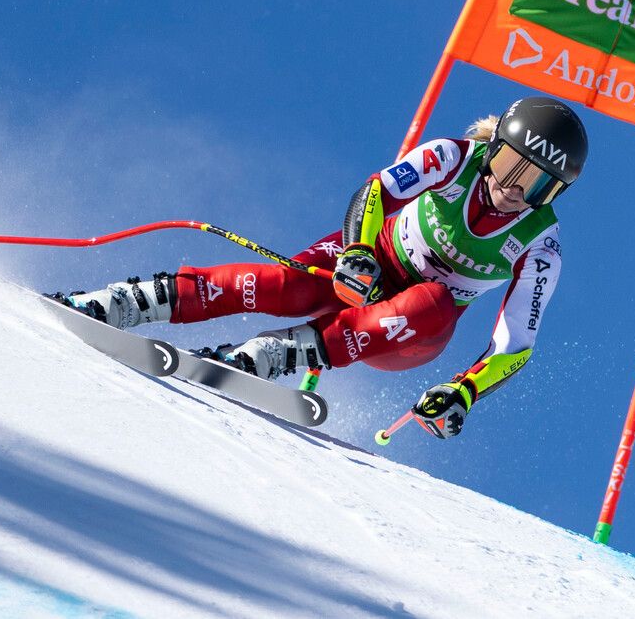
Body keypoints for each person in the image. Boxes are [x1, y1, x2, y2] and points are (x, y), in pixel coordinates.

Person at [51, 96, 587, 439]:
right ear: (492, 147)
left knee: (434, 301)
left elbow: (515, 342)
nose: (516, 188)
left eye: (540, 184)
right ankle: (127, 302)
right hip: (371, 262)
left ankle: (273, 355)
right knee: (289, 285)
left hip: (409, 331)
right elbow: (377, 189)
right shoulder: (453, 156)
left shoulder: (540, 243)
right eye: (511, 165)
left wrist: (463, 393)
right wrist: (357, 251)